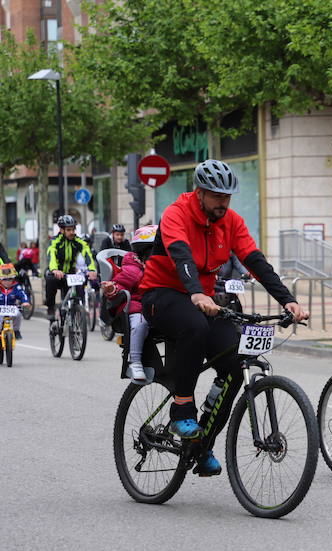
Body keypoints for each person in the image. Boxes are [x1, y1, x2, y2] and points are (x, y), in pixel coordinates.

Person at [139, 158, 309, 477]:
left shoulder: (231, 221)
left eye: (227, 196)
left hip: (202, 299)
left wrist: (289, 301)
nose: (223, 203)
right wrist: (196, 292)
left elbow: (256, 262)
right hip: (161, 293)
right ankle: (181, 408)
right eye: (217, 196)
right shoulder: (177, 212)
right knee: (194, 326)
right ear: (199, 192)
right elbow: (181, 256)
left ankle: (202, 444)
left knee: (236, 362)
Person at [101, 225, 157, 382]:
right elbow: (120, 283)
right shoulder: (134, 269)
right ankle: (135, 362)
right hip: (138, 307)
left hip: (158, 306)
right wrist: (112, 289)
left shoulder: (162, 265)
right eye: (155, 248)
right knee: (140, 323)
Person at [45, 215, 97, 323]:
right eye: (69, 230)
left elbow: (87, 254)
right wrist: (54, 269)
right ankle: (50, 308)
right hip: (56, 273)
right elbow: (51, 255)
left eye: (74, 229)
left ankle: (76, 311)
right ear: (61, 230)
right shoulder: (55, 241)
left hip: (70, 275)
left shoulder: (78, 241)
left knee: (78, 290)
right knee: (50, 281)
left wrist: (92, 269)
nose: (72, 232)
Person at [0, 263, 30, 340]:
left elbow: (23, 294)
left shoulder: (16, 287)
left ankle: (16, 331)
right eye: (4, 279)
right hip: (0, 309)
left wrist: (25, 301)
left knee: (18, 315)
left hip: (12, 308)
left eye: (10, 279)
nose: (7, 282)